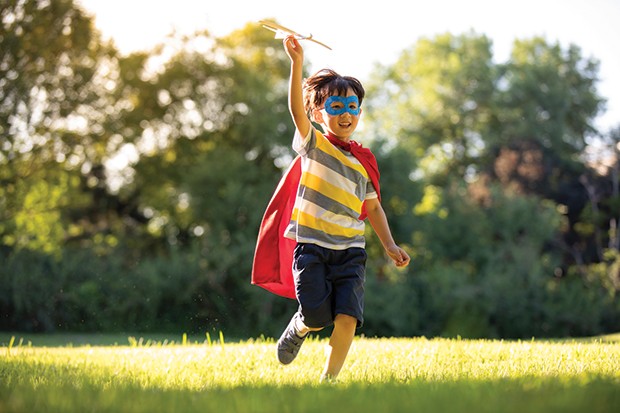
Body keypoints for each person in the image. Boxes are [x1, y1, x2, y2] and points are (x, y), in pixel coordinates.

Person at [253, 35, 410, 382]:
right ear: (319, 112)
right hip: (311, 245)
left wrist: (389, 245)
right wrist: (296, 63)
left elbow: (375, 208)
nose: (346, 114)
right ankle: (300, 325)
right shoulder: (314, 145)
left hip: (351, 249)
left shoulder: (362, 161)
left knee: (348, 316)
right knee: (315, 314)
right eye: (336, 107)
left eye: (352, 107)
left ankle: (329, 381)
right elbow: (295, 110)